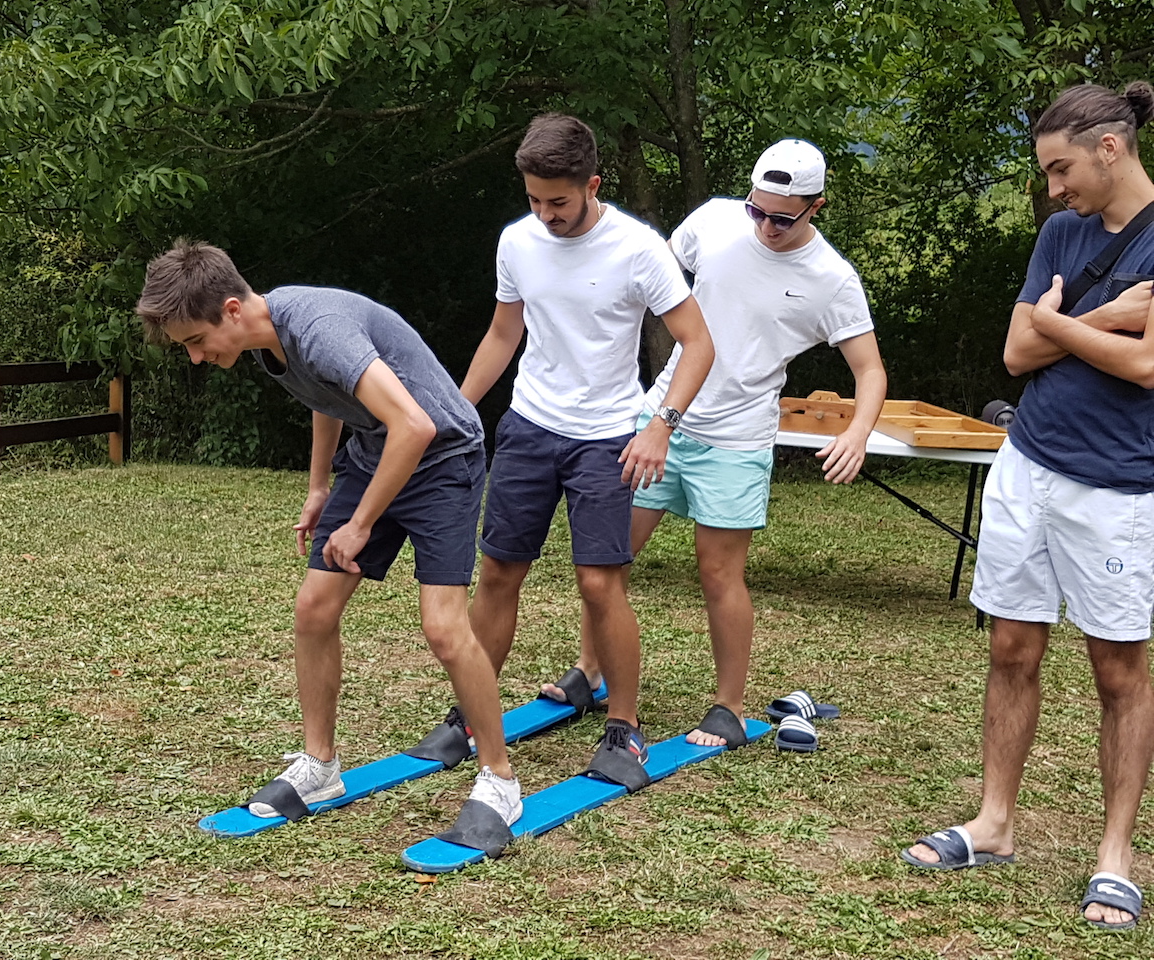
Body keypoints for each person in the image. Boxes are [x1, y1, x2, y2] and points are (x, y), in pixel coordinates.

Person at [135, 241, 523, 844]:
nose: (194, 357)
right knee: (314, 608)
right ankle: (320, 767)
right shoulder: (274, 341)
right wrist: (320, 487)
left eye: (194, 340)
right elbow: (329, 397)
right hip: (376, 456)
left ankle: (499, 779)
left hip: (443, 457)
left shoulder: (317, 328)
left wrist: (361, 523)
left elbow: (415, 425)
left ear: (232, 310)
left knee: (444, 627)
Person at [902, 81, 1154, 932]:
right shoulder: (1061, 233)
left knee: (1119, 671)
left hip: (1118, 486)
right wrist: (1111, 318)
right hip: (1030, 465)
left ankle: (1115, 857)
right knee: (1011, 645)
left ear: (1110, 148)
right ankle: (995, 822)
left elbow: (1150, 369)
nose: (1053, 188)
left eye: (1061, 168)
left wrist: (1068, 324)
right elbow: (1016, 352)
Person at [543, 139, 887, 749]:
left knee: (718, 574)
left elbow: (869, 370)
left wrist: (857, 433)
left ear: (817, 207)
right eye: (758, 210)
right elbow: (646, 280)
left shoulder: (831, 280)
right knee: (609, 557)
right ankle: (589, 674)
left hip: (736, 439)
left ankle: (727, 707)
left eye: (784, 217)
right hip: (661, 423)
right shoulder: (712, 222)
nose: (767, 226)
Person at [452, 113, 714, 791]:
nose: (545, 215)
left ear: (592, 184)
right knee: (499, 570)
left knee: (600, 583)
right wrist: (455, 408)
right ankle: (470, 714)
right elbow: (503, 334)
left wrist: (659, 425)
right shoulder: (518, 242)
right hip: (530, 427)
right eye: (534, 200)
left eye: (558, 202)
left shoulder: (637, 248)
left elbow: (698, 342)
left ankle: (624, 729)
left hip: (606, 436)